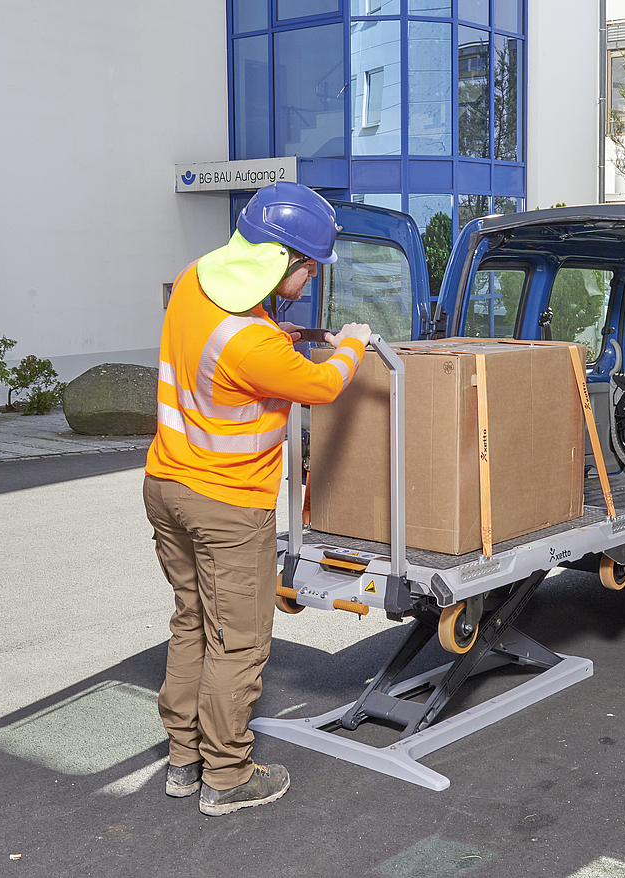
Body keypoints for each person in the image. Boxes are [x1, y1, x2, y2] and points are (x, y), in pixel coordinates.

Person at [142, 181, 370, 816]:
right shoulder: (256, 345)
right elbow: (323, 384)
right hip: (227, 505)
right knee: (238, 640)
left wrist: (286, 327)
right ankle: (227, 775)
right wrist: (350, 340)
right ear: (282, 260)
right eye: (307, 268)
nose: (309, 278)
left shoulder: (192, 283)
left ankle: (183, 761)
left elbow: (234, 338)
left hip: (167, 486)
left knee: (193, 619)